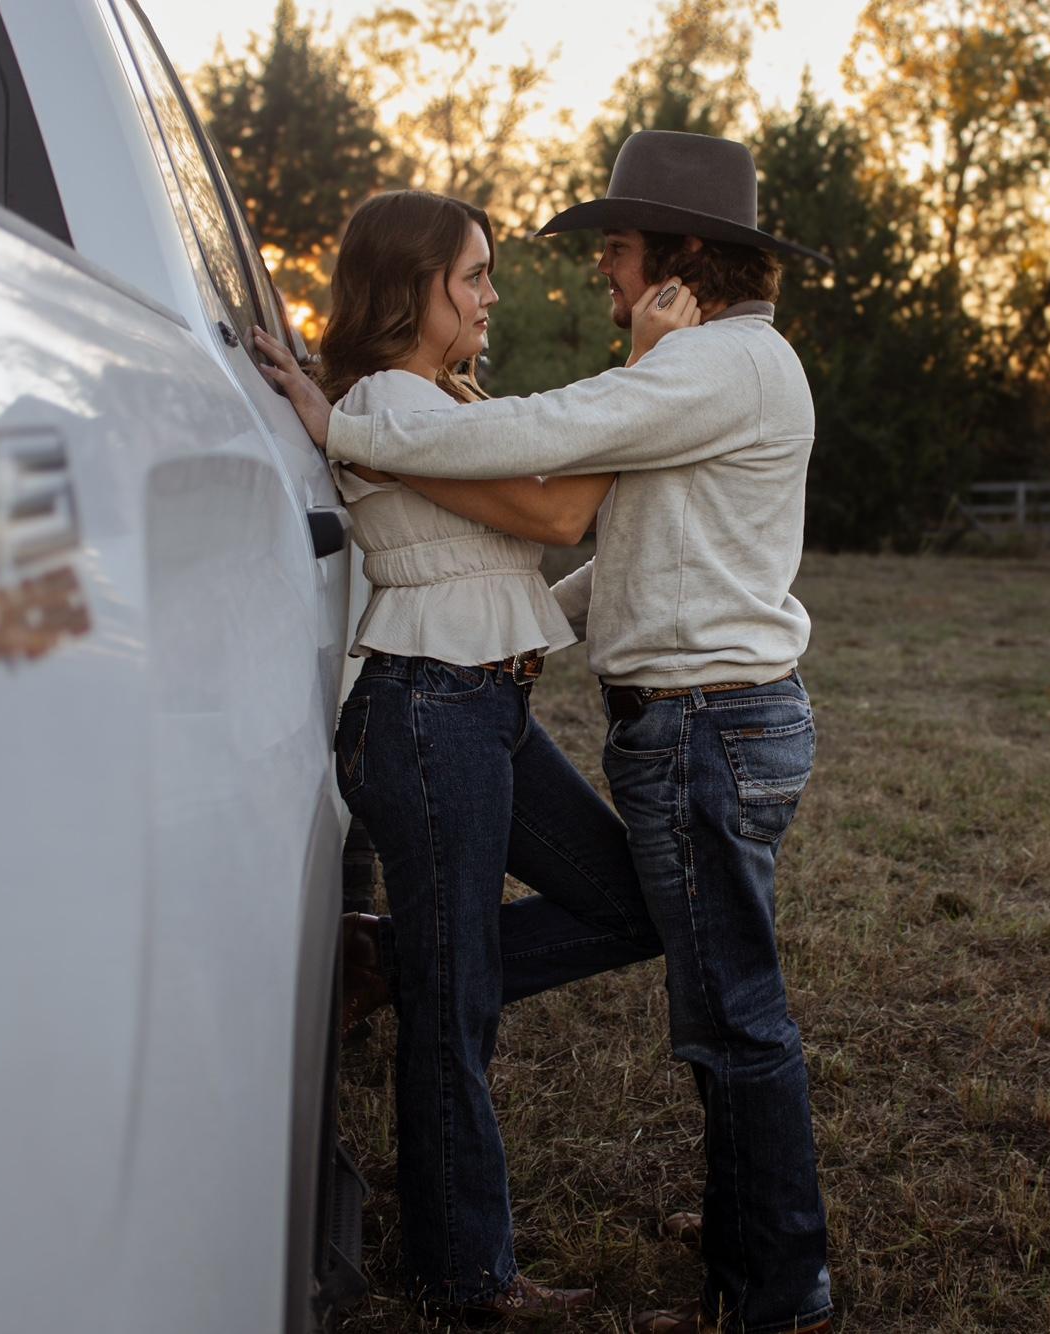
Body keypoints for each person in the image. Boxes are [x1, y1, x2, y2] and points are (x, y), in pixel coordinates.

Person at [258, 130, 836, 1334]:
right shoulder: (415, 397)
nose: (599, 272)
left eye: (616, 249)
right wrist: (355, 425)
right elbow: (583, 525)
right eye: (472, 275)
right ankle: (529, 1253)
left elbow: (559, 476)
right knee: (676, 996)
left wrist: (345, 428)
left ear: (680, 258)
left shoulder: (703, 364)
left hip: (646, 717)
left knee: (709, 997)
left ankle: (771, 1278)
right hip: (497, 708)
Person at [314, 188, 698, 1323]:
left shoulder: (443, 401)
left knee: (630, 905)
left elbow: (519, 555)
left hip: (481, 709)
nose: (490, 296)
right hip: (426, 711)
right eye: (472, 275)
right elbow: (559, 511)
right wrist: (646, 369)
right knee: (458, 1006)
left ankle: (386, 957)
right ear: (410, 285)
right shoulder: (386, 402)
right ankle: (464, 1276)